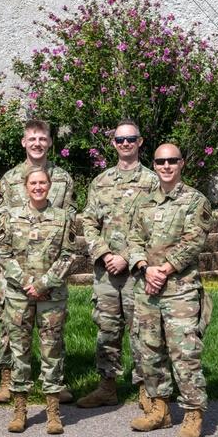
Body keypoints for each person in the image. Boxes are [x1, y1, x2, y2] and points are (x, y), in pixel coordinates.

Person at [127, 144, 212, 437]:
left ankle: (193, 412)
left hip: (180, 290)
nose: (166, 166)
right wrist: (143, 267)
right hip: (147, 289)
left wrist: (161, 270)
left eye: (171, 161)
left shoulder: (194, 201)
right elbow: (133, 239)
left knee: (184, 353)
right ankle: (160, 409)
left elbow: (192, 242)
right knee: (149, 349)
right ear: (154, 164)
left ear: (181, 164)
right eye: (160, 161)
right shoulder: (145, 202)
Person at [0, 119, 77, 403]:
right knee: (10, 324)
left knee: (52, 327)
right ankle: (8, 378)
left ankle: (54, 381)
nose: (37, 143)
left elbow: (69, 222)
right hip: (16, 268)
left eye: (42, 138)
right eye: (32, 139)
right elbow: (1, 222)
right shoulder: (10, 178)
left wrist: (48, 277)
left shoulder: (63, 179)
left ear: (50, 142)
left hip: (50, 268)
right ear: (23, 143)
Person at [75, 120, 159, 411]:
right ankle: (106, 388)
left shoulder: (153, 181)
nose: (125, 144)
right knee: (107, 329)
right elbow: (88, 221)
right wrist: (104, 254)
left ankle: (145, 391)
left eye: (131, 139)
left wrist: (128, 257)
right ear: (113, 144)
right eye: (120, 140)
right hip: (106, 272)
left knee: (142, 331)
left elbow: (157, 228)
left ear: (140, 142)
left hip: (138, 271)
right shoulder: (100, 182)